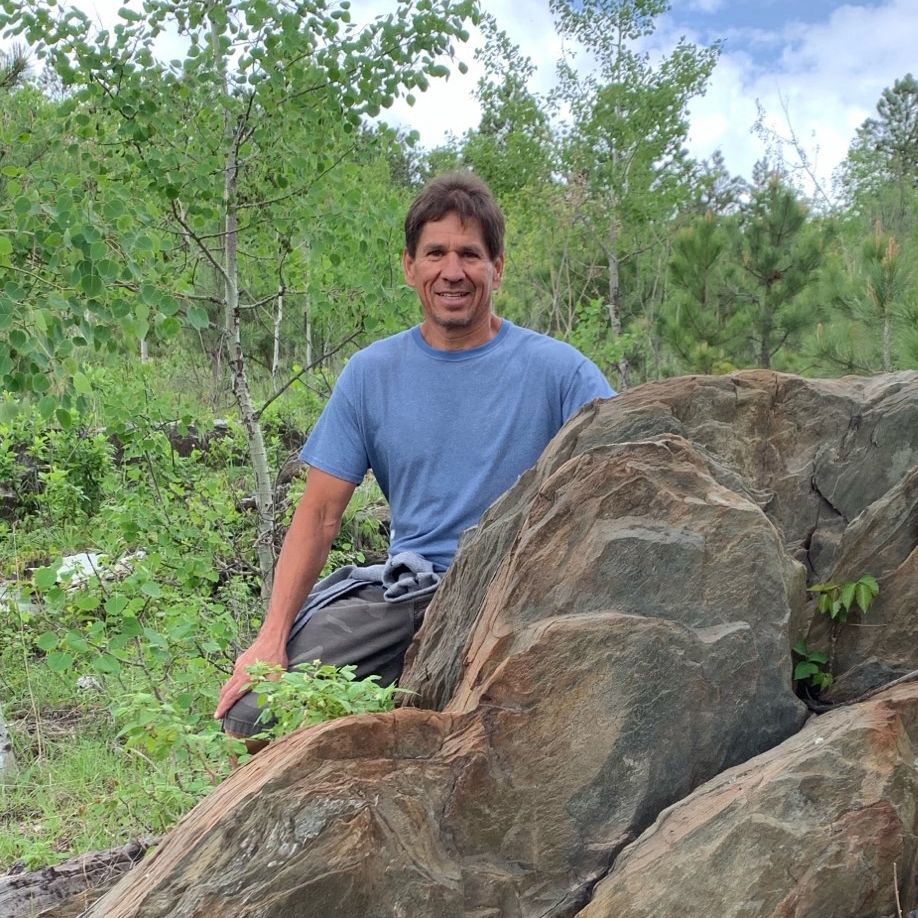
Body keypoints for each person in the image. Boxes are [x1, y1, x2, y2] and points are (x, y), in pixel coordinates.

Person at [215, 171, 614, 749]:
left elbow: (624, 475)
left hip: (521, 590)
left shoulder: (560, 373)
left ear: (497, 268)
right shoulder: (372, 375)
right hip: (414, 592)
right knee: (254, 713)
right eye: (436, 253)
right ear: (410, 267)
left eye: (470, 255)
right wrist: (271, 637)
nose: (452, 271)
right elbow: (321, 514)